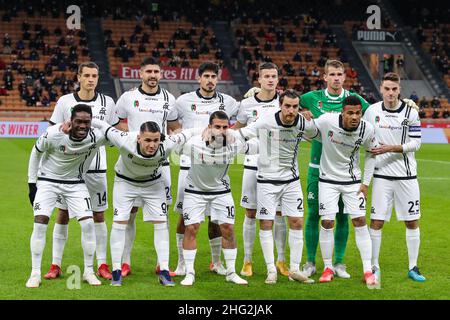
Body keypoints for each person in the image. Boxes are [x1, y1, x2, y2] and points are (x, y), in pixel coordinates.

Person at [89, 119, 201, 286]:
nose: (152, 145)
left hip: (153, 184)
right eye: (147, 140)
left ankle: (164, 271)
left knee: (161, 224)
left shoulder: (168, 143)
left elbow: (190, 132)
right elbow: (104, 127)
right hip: (125, 183)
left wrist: (209, 130)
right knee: (119, 224)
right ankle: (117, 271)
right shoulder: (124, 139)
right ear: (138, 138)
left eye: (156, 140)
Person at [44, 62, 118, 281]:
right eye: (86, 75)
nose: (91, 79)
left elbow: (112, 134)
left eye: (94, 75)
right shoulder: (65, 101)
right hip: (69, 170)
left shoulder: (108, 102)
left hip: (96, 168)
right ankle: (55, 264)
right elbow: (52, 131)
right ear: (79, 77)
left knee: (98, 214)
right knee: (63, 214)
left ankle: (102, 264)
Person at [237, 89, 318, 284]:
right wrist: (215, 138)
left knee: (297, 222)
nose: (291, 111)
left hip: (291, 181)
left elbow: (316, 133)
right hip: (266, 181)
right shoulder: (266, 121)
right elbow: (241, 134)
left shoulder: (302, 123)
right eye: (287, 106)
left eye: (295, 107)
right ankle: (271, 269)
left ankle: (295, 269)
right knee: (266, 223)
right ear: (280, 105)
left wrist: (311, 118)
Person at [300, 59, 370, 279]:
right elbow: (287, 103)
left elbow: (373, 115)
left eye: (340, 74)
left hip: (345, 170)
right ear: (325, 77)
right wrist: (302, 113)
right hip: (317, 167)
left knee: (342, 216)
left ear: (344, 77)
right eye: (332, 74)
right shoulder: (311, 98)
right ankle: (310, 261)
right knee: (314, 214)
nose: (337, 78)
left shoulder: (355, 101)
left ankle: (338, 262)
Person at [26, 104, 108, 288]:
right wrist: (32, 184)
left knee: (88, 224)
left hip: (76, 183)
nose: (82, 126)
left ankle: (88, 271)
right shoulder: (54, 133)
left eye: (87, 122)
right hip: (48, 181)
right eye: (78, 121)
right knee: (40, 223)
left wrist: (96, 123)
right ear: (70, 121)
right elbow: (36, 152)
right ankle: (35, 273)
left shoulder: (96, 136)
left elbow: (116, 134)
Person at [114, 57, 181, 277]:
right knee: (129, 213)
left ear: (160, 74)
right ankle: (125, 262)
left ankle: (162, 264)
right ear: (140, 74)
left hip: (160, 165)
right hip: (134, 165)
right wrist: (131, 145)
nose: (153, 75)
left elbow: (174, 127)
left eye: (156, 72)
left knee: (162, 215)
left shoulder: (169, 98)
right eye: (149, 71)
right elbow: (119, 123)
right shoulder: (128, 97)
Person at [173, 62, 239, 276]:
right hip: (189, 165)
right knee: (185, 217)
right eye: (206, 76)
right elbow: (173, 125)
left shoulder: (228, 102)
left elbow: (243, 118)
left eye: (214, 76)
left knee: (216, 218)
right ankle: (182, 263)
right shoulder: (183, 101)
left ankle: (217, 262)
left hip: (217, 165)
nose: (210, 80)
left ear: (217, 79)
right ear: (199, 78)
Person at [363, 72, 425, 286]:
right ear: (381, 89)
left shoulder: (411, 113)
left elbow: (416, 143)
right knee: (377, 222)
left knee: (412, 221)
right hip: (381, 176)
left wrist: (392, 148)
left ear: (399, 90)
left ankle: (413, 266)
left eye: (394, 89)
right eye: (387, 89)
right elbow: (365, 139)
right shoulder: (371, 112)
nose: (390, 93)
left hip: (407, 176)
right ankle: (374, 266)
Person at [180, 111, 253, 286]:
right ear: (209, 127)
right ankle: (189, 272)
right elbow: (172, 142)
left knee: (227, 228)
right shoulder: (193, 144)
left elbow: (256, 134)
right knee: (191, 228)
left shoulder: (234, 145)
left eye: (224, 127)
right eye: (217, 127)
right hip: (195, 191)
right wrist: (197, 132)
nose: (221, 131)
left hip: (221, 191)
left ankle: (231, 272)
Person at [313, 95, 379, 289]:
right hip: (327, 181)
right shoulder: (326, 121)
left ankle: (368, 271)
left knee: (359, 221)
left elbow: (371, 154)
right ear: (342, 112)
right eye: (350, 113)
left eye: (358, 113)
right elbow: (309, 129)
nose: (355, 117)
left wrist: (365, 183)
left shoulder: (367, 129)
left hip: (352, 183)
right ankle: (327, 268)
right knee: (327, 222)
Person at [234, 62, 289, 278]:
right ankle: (247, 260)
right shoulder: (246, 104)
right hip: (252, 163)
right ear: (259, 79)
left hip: (278, 166)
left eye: (274, 76)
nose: (270, 80)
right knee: (250, 212)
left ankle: (281, 260)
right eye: (266, 76)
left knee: (278, 214)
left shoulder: (283, 103)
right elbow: (238, 131)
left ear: (278, 78)